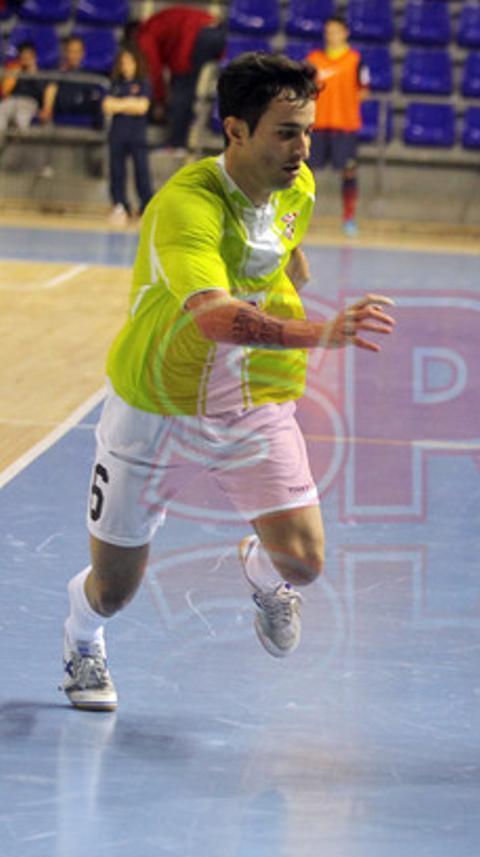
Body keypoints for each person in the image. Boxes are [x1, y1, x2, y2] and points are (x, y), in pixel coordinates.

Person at [60, 53, 395, 712]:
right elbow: (213, 317)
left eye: (307, 128)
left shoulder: (295, 187)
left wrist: (289, 284)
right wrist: (320, 333)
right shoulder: (186, 206)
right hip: (155, 406)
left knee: (302, 559)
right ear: (236, 130)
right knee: (114, 587)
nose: (304, 147)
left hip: (249, 404)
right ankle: (82, 638)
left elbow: (283, 247)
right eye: (286, 132)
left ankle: (262, 570)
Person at [306, 16, 369, 237]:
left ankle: (349, 219)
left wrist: (344, 105)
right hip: (317, 126)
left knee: (349, 172)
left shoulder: (355, 60)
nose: (331, 35)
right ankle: (296, 217)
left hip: (345, 126)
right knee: (304, 173)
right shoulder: (313, 59)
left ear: (345, 33)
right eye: (328, 31)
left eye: (335, 31)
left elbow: (364, 90)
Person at [131, 5, 227, 151]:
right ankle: (181, 138)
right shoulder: (158, 22)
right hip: (217, 31)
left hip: (198, 36)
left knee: (182, 89)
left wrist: (159, 101)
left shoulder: (144, 35)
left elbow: (154, 70)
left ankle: (176, 143)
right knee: (185, 87)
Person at [104, 45, 154, 227]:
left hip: (137, 135)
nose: (125, 66)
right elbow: (108, 105)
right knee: (117, 171)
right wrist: (129, 104)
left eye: (129, 62)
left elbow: (142, 107)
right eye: (122, 62)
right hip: (117, 134)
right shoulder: (115, 84)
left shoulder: (143, 83)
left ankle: (146, 205)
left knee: (141, 170)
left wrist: (121, 105)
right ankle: (120, 204)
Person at [0, 41, 53, 141]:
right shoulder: (14, 69)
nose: (26, 59)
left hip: (28, 102)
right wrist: (13, 75)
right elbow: (4, 92)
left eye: (28, 56)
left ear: (34, 57)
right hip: (11, 100)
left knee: (21, 120)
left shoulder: (42, 73)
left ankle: (17, 151)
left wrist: (34, 74)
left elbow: (44, 93)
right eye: (23, 56)